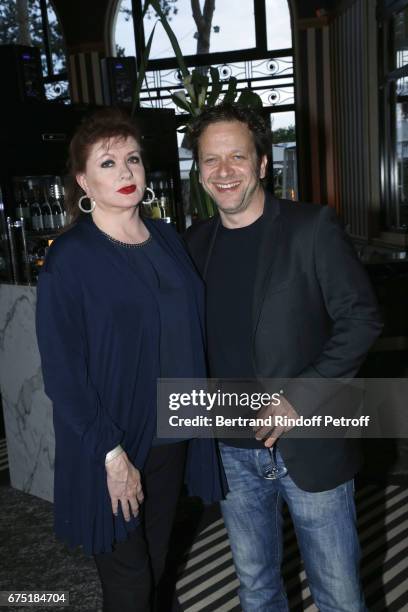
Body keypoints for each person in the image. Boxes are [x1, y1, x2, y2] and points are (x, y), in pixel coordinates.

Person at [184, 103, 383, 612]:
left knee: (338, 593)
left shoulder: (310, 226)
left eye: (237, 157)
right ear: (198, 171)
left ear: (263, 163)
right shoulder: (193, 244)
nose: (224, 171)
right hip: (230, 448)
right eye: (210, 160)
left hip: (308, 439)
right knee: (256, 587)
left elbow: (361, 319)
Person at [36, 107, 225, 612]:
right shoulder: (71, 257)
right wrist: (110, 454)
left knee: (158, 565)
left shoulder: (165, 237)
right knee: (130, 582)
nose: (125, 172)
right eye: (108, 163)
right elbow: (63, 373)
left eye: (133, 159)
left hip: (171, 431)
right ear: (84, 181)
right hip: (111, 440)